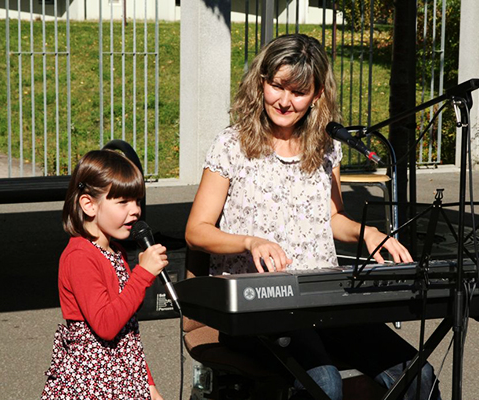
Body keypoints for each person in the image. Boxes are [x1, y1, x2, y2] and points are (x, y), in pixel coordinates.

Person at [185, 33, 441, 400]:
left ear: (317, 95)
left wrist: (368, 233)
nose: (285, 102)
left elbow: (331, 218)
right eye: (277, 86)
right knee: (322, 386)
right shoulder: (232, 144)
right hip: (259, 307)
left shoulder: (325, 146)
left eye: (299, 92)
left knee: (418, 376)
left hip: (323, 301)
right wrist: (250, 241)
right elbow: (196, 230)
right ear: (262, 82)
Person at [41, 149, 167, 400]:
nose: (135, 211)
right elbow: (106, 325)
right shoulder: (80, 256)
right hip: (93, 385)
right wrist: (141, 275)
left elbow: (128, 332)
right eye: (123, 202)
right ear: (89, 205)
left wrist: (149, 385)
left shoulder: (115, 251)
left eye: (137, 201)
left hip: (123, 379)